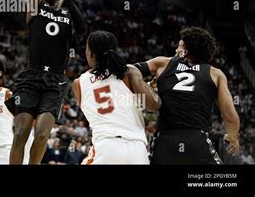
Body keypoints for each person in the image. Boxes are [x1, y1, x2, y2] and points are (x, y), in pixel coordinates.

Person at [7, 0, 87, 164]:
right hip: (31, 76)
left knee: (42, 134)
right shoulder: (36, 6)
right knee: (21, 132)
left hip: (55, 79)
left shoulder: (68, 13)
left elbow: (83, 30)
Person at [134, 26, 240, 164]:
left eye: (179, 46)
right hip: (196, 142)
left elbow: (130, 71)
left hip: (165, 141)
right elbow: (230, 117)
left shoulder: (162, 63)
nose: (176, 50)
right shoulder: (216, 74)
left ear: (185, 51)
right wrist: (233, 138)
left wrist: (146, 86)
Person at [73, 31, 161, 164]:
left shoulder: (78, 83)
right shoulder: (129, 71)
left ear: (90, 53)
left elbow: (107, 96)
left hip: (107, 147)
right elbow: (154, 104)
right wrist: (148, 87)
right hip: (138, 150)